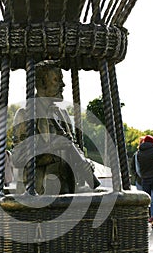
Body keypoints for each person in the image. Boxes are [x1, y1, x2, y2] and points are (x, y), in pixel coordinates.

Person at [12, 60, 100, 195]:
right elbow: (18, 159)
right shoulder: (25, 114)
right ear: (41, 84)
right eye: (56, 80)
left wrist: (85, 162)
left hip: (65, 191)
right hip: (38, 195)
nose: (63, 85)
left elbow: (72, 145)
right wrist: (52, 147)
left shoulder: (62, 113)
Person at [137, 135, 153, 229]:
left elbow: (138, 168)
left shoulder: (138, 153)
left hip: (145, 179)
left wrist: (142, 176)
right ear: (152, 142)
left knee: (146, 201)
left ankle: (144, 220)